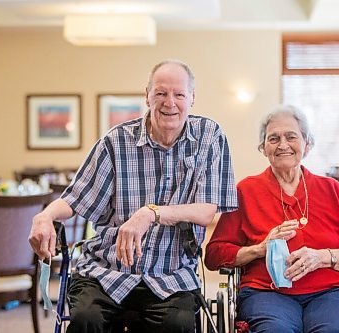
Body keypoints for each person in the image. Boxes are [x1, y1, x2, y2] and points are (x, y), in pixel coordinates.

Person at [29, 59, 238, 333]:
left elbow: (206, 211)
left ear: (192, 98)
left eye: (179, 94)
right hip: (106, 271)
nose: (169, 103)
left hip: (170, 275)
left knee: (177, 324)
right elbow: (75, 198)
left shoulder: (210, 137)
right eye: (161, 93)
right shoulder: (115, 142)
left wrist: (150, 213)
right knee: (86, 320)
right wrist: (44, 216)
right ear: (147, 95)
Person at [205, 105, 339, 333]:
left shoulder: (331, 189)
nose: (283, 145)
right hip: (266, 292)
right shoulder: (245, 191)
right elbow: (214, 254)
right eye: (273, 138)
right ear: (263, 148)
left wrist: (322, 257)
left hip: (334, 291)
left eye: (291, 136)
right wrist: (258, 249)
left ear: (307, 144)